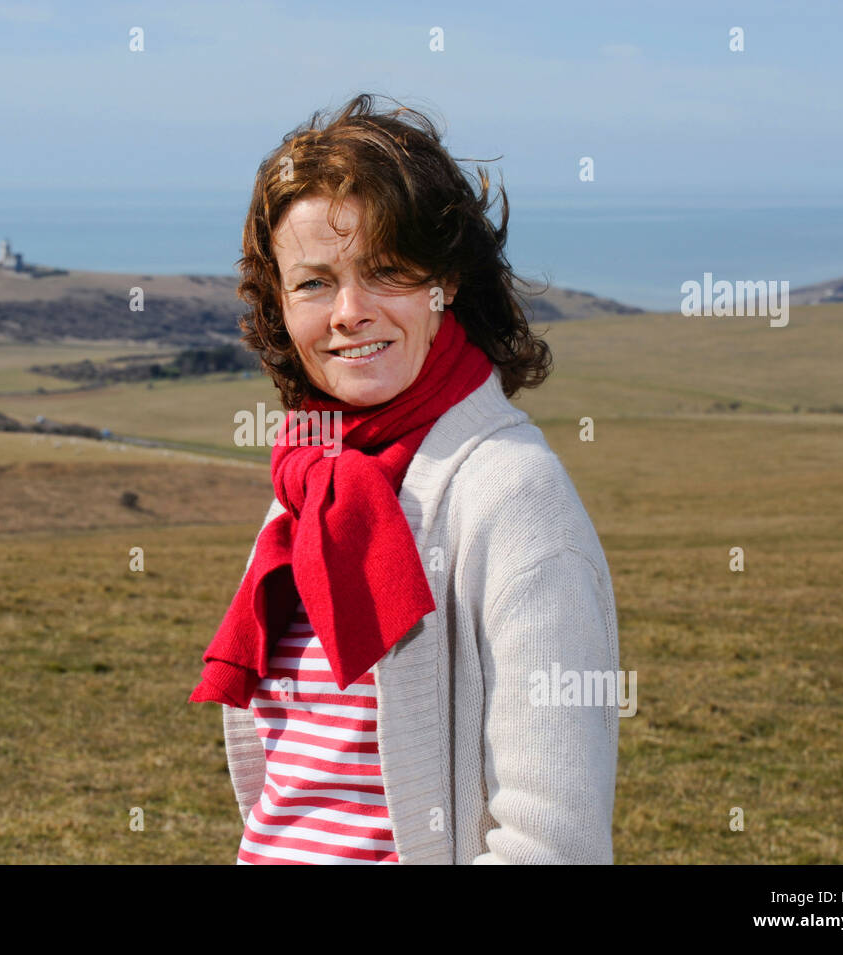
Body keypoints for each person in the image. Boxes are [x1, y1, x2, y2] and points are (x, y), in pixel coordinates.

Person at [188, 93, 620, 864]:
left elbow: (554, 845)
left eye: (385, 271)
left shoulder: (514, 496)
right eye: (314, 283)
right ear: (280, 305)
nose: (349, 312)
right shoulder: (311, 483)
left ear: (445, 282)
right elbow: (290, 794)